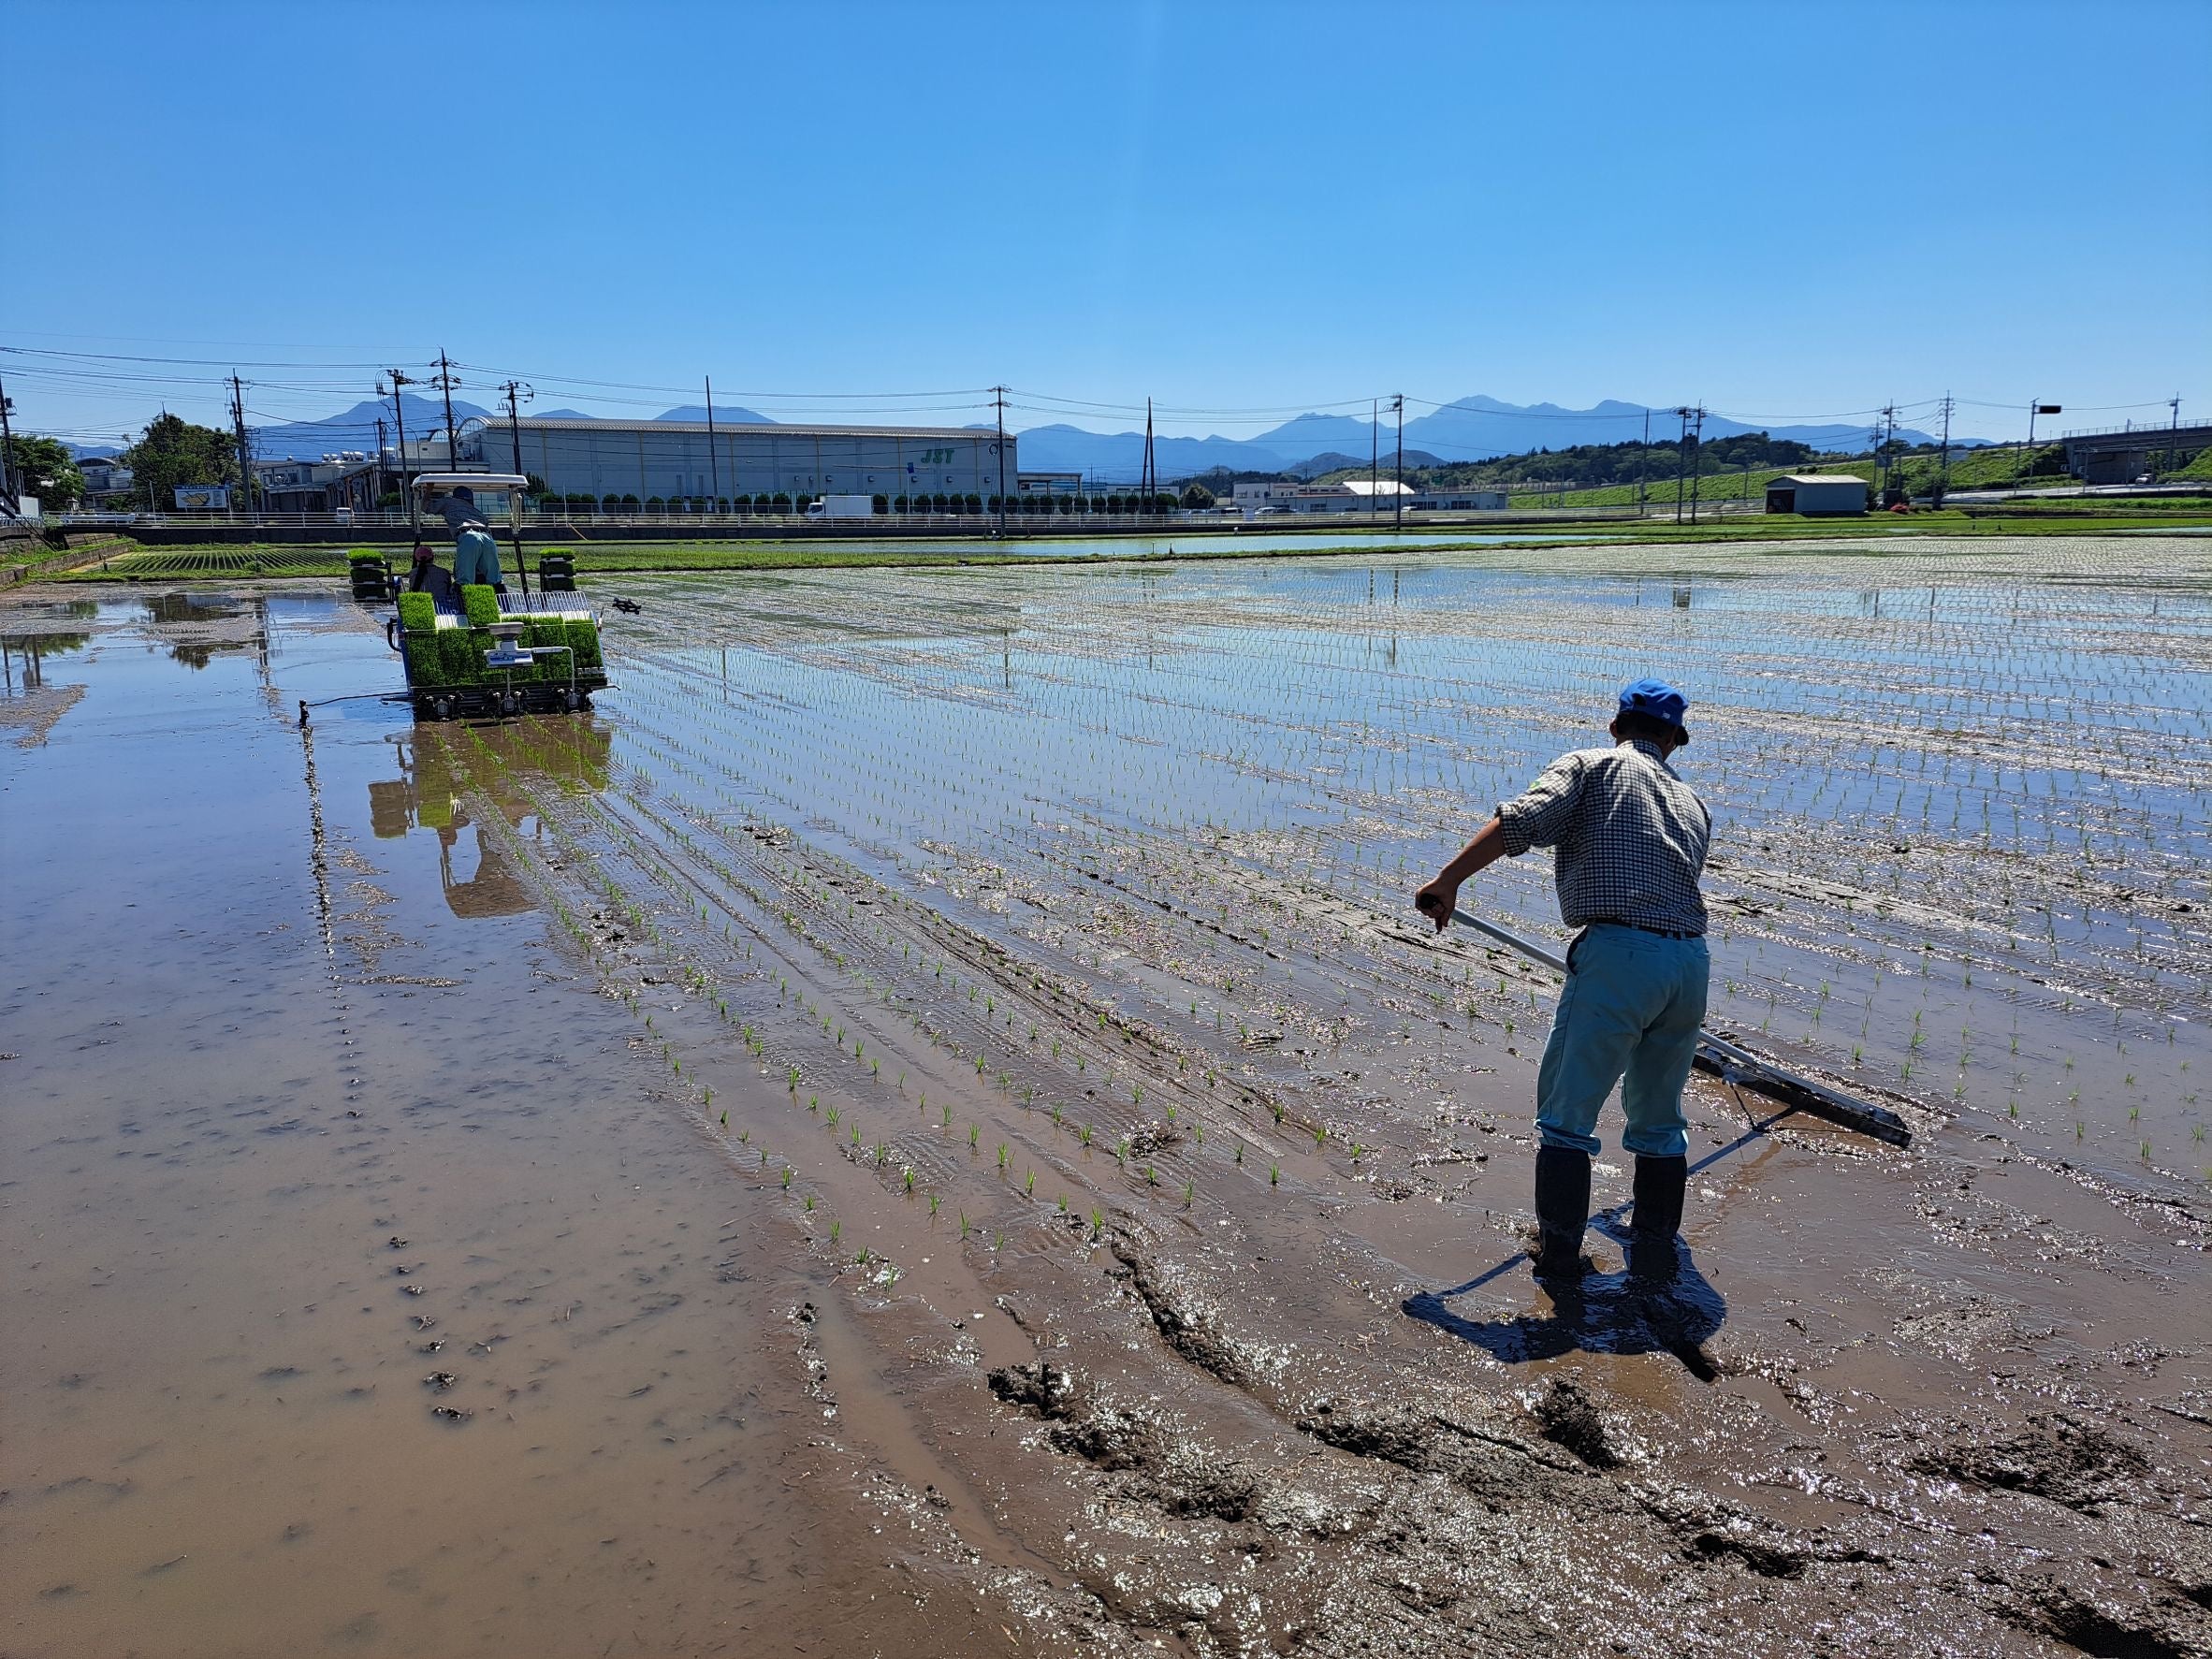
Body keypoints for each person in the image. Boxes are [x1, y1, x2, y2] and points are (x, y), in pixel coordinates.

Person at [1415, 679, 1711, 1285]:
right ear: (1673, 740)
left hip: (1620, 953)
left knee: (1567, 1116)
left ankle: (1558, 1261)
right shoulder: (1691, 802)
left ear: (1616, 725)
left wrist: (1449, 878)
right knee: (1659, 1118)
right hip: (1690, 964)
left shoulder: (1591, 766)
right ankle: (1654, 1253)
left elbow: (1519, 821)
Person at [452, 521, 504, 593]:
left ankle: (463, 603)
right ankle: (504, 603)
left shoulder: (451, 510)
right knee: (495, 579)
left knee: (464, 581)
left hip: (468, 536)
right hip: (487, 537)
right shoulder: (479, 512)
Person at [406, 541, 459, 607]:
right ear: (433, 557)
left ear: (416, 559)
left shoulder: (413, 573)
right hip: (443, 609)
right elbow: (449, 592)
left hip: (422, 608)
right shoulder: (444, 573)